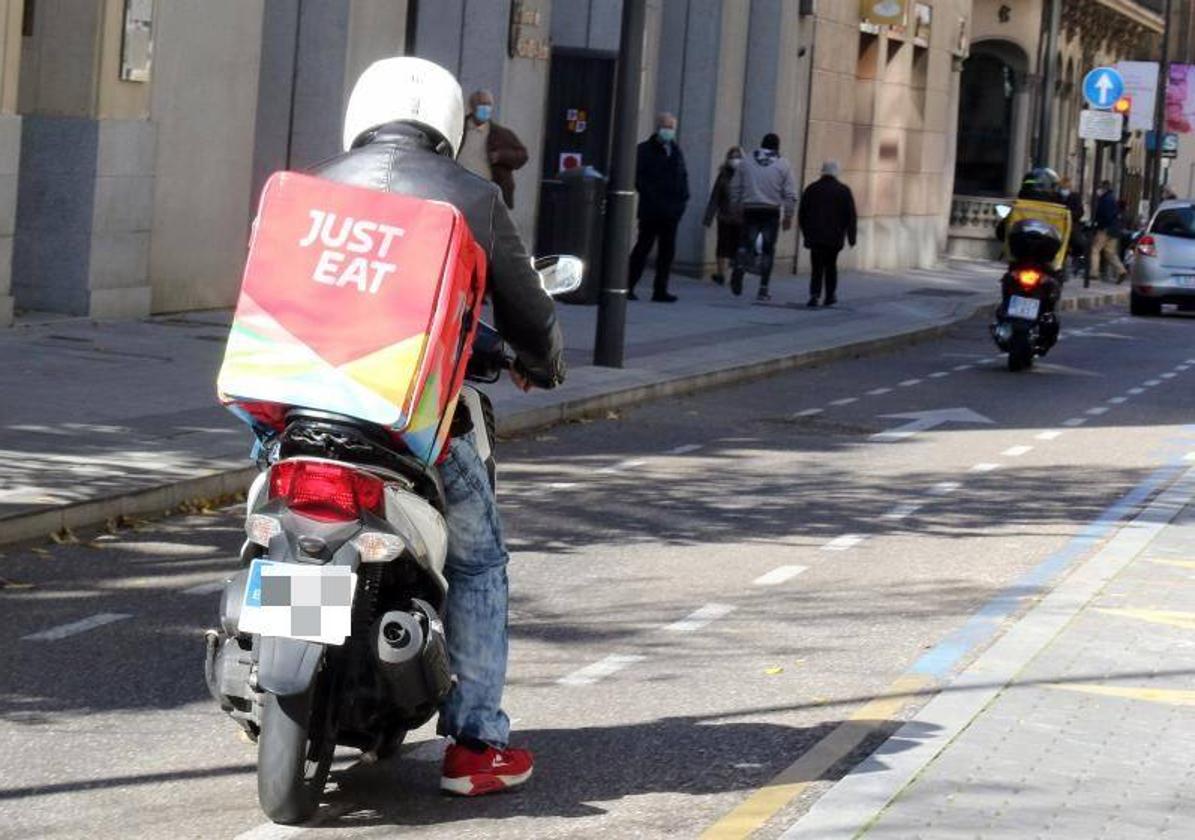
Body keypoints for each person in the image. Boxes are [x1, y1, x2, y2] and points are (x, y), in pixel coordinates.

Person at [320, 57, 565, 796]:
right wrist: (538, 360)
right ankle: (476, 740)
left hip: (302, 415)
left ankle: (286, 674)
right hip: (410, 423)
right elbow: (524, 305)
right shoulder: (470, 194)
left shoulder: (314, 184)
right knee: (479, 561)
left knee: (286, 526)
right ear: (451, 123)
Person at [627, 113, 690, 302]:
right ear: (658, 127)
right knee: (643, 248)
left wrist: (682, 200)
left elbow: (682, 177)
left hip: (671, 211)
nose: (669, 131)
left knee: (667, 252)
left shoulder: (675, 151)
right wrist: (651, 196)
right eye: (666, 126)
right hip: (651, 210)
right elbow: (637, 177)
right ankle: (628, 285)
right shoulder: (645, 150)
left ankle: (660, 289)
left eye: (671, 127)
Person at [729, 133, 798, 301]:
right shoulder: (783, 164)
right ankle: (763, 288)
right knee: (767, 250)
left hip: (750, 208)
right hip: (771, 211)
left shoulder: (747, 161)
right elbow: (790, 193)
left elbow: (735, 187)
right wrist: (788, 215)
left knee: (746, 243)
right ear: (777, 146)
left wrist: (735, 206)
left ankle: (739, 266)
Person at [797, 160, 857, 308]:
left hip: (816, 236)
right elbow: (851, 216)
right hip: (834, 237)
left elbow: (802, 213)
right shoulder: (843, 190)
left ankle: (814, 295)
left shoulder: (812, 189)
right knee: (831, 265)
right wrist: (851, 237)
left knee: (816, 266)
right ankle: (830, 295)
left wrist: (806, 233)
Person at [457, 89, 529, 209]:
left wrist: (501, 156)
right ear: (472, 107)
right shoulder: (458, 129)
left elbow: (522, 156)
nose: (485, 109)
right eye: (481, 104)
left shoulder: (500, 134)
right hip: (458, 189)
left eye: (488, 105)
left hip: (487, 193)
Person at [703, 146, 744, 287]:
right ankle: (721, 274)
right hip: (725, 217)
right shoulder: (723, 175)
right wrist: (708, 217)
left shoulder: (746, 176)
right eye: (732, 157)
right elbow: (715, 196)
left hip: (740, 218)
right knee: (722, 245)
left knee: (737, 247)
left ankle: (735, 274)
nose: (735, 160)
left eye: (738, 156)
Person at [1089, 181, 1127, 283]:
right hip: (1114, 230)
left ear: (1103, 188)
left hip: (1105, 228)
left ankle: (1094, 273)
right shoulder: (1112, 198)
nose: (1098, 190)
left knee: (1095, 249)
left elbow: (1104, 215)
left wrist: (1098, 225)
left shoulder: (1105, 200)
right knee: (1110, 253)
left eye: (1100, 188)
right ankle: (1121, 270)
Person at [1059, 176, 1086, 276]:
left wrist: (1069, 215)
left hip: (1071, 226)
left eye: (1066, 188)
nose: (1064, 190)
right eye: (1063, 187)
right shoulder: (1056, 196)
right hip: (1058, 226)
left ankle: (1073, 261)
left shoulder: (1075, 196)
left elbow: (1080, 211)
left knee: (1077, 243)